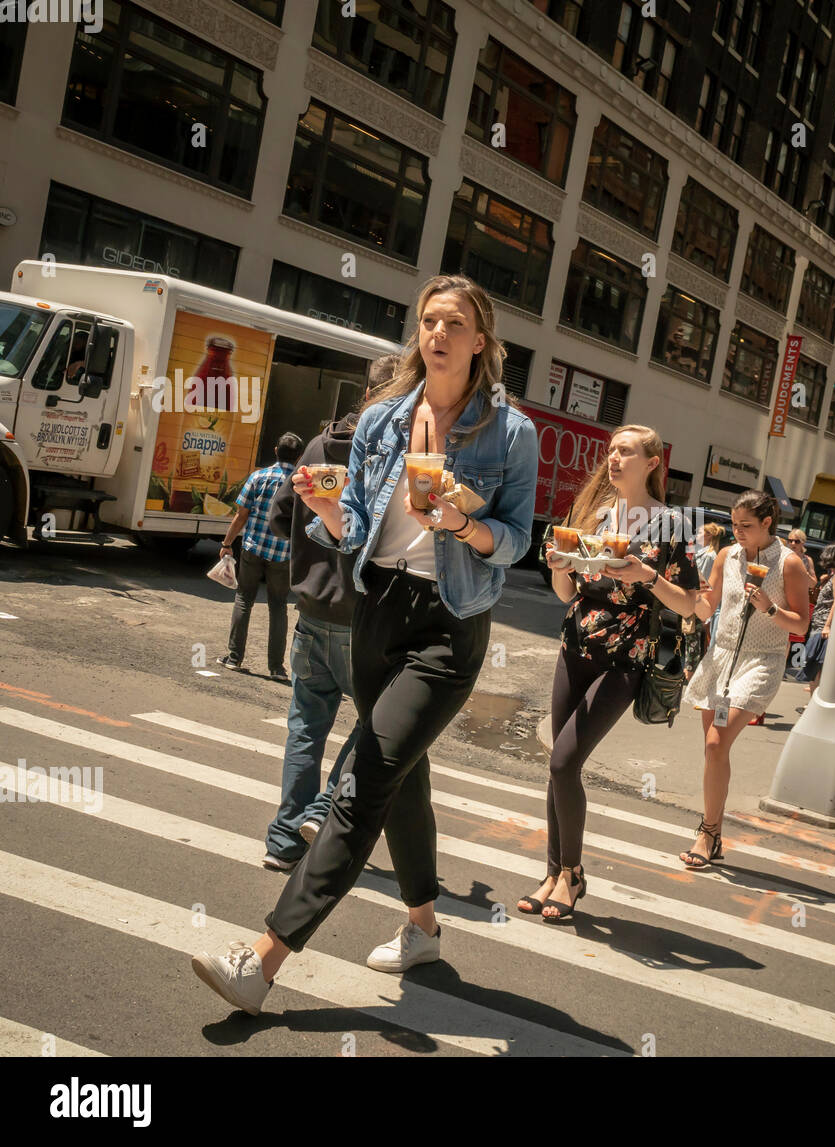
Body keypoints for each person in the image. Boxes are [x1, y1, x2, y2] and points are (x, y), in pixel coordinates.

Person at [191, 274, 538, 1014]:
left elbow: (514, 542)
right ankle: (423, 925)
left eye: (453, 322)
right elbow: (355, 524)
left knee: (364, 780)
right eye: (427, 321)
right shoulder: (384, 419)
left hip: (449, 625)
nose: (437, 333)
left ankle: (262, 959)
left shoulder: (511, 434)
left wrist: (461, 525)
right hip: (376, 609)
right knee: (403, 776)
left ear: (482, 340)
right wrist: (322, 504)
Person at [517, 426, 699, 920]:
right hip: (575, 647)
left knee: (562, 763)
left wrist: (648, 576)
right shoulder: (594, 515)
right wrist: (559, 566)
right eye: (612, 451)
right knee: (559, 764)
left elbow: (693, 606)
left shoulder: (670, 526)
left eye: (627, 452)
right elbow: (567, 594)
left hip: (625, 659)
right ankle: (553, 873)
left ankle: (572, 876)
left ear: (652, 463)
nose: (614, 459)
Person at [259, 355, 399, 873]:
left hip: (313, 609)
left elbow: (278, 516)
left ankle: (283, 841)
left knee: (305, 728)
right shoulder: (390, 453)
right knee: (376, 726)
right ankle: (319, 811)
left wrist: (309, 547)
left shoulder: (319, 446)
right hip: (364, 615)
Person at [680, 490, 811, 868]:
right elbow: (708, 607)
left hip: (761, 661)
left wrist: (769, 607)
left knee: (717, 742)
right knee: (712, 749)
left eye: (746, 526)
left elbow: (800, 623)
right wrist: (691, 599)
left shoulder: (789, 564)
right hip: (720, 659)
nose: (737, 531)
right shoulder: (727, 555)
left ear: (767, 523)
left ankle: (706, 831)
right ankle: (714, 833)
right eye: (734, 524)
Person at [217, 432, 305, 681]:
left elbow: (241, 516)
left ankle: (234, 658)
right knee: (278, 606)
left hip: (253, 549)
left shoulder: (258, 477)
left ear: (276, 450)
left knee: (244, 599)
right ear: (299, 456)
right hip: (283, 554)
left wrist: (227, 544)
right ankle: (276, 668)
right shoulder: (300, 484)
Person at [801, 543, 835, 690]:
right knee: (813, 666)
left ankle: (814, 702)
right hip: (819, 623)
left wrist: (827, 625)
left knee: (815, 665)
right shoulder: (833, 575)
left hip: (823, 626)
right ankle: (813, 699)